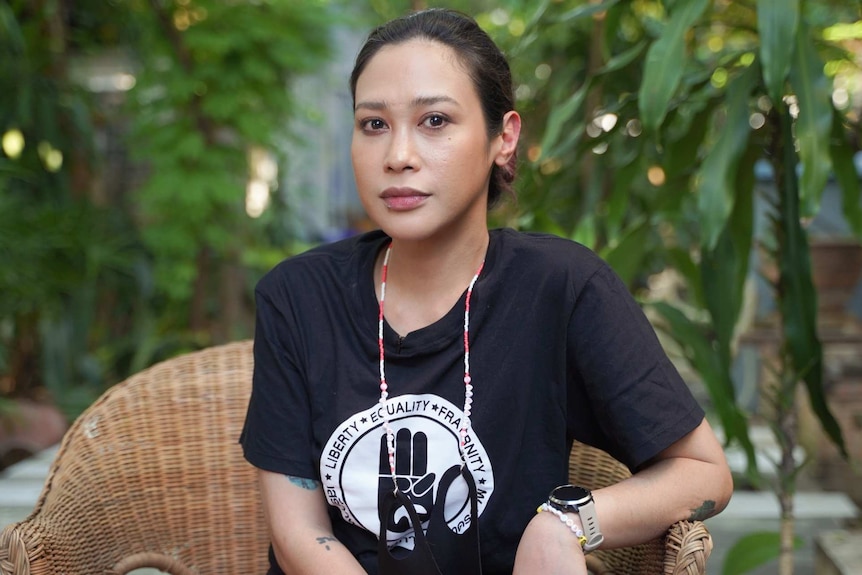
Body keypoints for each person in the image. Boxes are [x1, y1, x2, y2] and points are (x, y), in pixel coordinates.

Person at [240, 8, 733, 575]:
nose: (397, 155)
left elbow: (704, 472)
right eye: (373, 124)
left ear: (504, 137)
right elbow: (296, 530)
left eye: (435, 121)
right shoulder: (297, 297)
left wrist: (567, 523)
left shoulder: (562, 288)